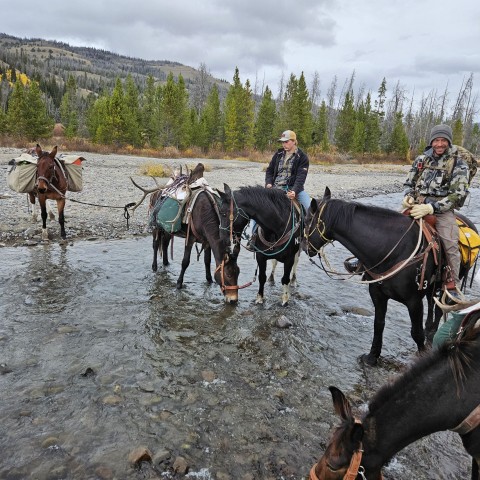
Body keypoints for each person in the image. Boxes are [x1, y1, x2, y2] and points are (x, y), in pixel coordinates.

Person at [402, 124, 470, 302]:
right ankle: (368, 265)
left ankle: (451, 284)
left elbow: (458, 194)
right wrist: (408, 197)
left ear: (448, 141)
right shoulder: (421, 159)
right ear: (431, 141)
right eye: (436, 140)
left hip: (441, 210)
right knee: (388, 225)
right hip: (417, 205)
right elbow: (409, 182)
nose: (439, 144)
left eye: (443, 140)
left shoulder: (458, 163)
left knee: (450, 242)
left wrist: (433, 208)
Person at [246, 130, 311, 251]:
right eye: (282, 142)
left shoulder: (302, 157)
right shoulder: (278, 154)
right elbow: (269, 170)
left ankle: (307, 239)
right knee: (258, 208)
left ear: (293, 141)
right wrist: (269, 183)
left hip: (293, 189)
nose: (284, 144)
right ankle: (254, 237)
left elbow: (301, 177)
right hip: (275, 189)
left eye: (286, 142)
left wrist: (295, 191)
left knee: (309, 208)